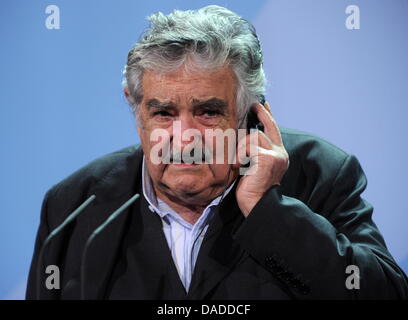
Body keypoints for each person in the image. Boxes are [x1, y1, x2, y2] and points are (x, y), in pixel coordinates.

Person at [26, 5, 407, 299]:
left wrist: (268, 210)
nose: (184, 137)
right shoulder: (75, 208)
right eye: (163, 113)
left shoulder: (318, 174)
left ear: (251, 113)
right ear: (135, 108)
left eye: (208, 112)